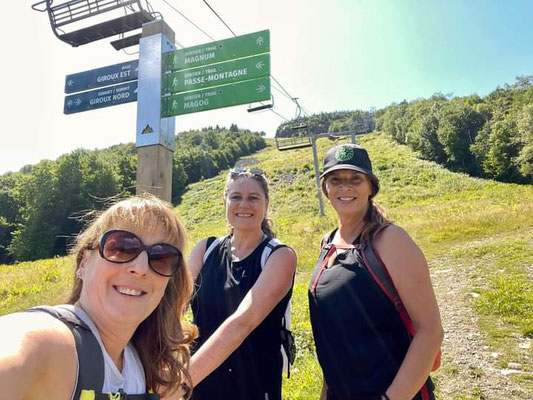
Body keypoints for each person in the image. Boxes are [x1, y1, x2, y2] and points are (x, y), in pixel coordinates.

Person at [0, 195, 196, 400]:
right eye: (121, 247)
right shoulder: (46, 341)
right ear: (84, 263)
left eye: (161, 258)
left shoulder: (141, 367)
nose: (140, 268)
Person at [309, 144, 443, 400]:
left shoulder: (390, 240)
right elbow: (334, 335)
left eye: (355, 179)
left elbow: (430, 330)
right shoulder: (327, 243)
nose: (345, 187)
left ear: (371, 186)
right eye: (336, 180)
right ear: (325, 188)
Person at [185, 168, 297, 400]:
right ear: (224, 201)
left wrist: (179, 383)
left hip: (253, 386)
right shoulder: (206, 249)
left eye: (253, 198)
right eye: (236, 197)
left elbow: (242, 323)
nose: (244, 204)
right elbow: (175, 303)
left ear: (266, 203)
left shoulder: (279, 256)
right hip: (202, 383)